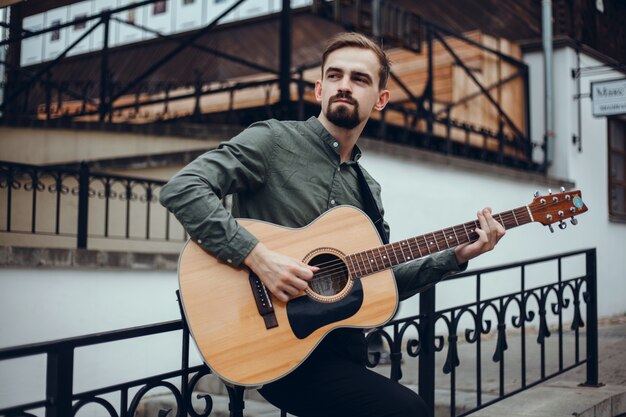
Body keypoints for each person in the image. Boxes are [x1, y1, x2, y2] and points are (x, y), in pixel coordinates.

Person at [160, 32, 505, 417]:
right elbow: (184, 188)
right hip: (272, 348)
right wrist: (257, 257)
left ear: (380, 99)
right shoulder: (273, 140)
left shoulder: (367, 191)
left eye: (360, 79)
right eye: (336, 75)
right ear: (319, 89)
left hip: (340, 351)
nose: (345, 85)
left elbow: (381, 284)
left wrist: (455, 256)